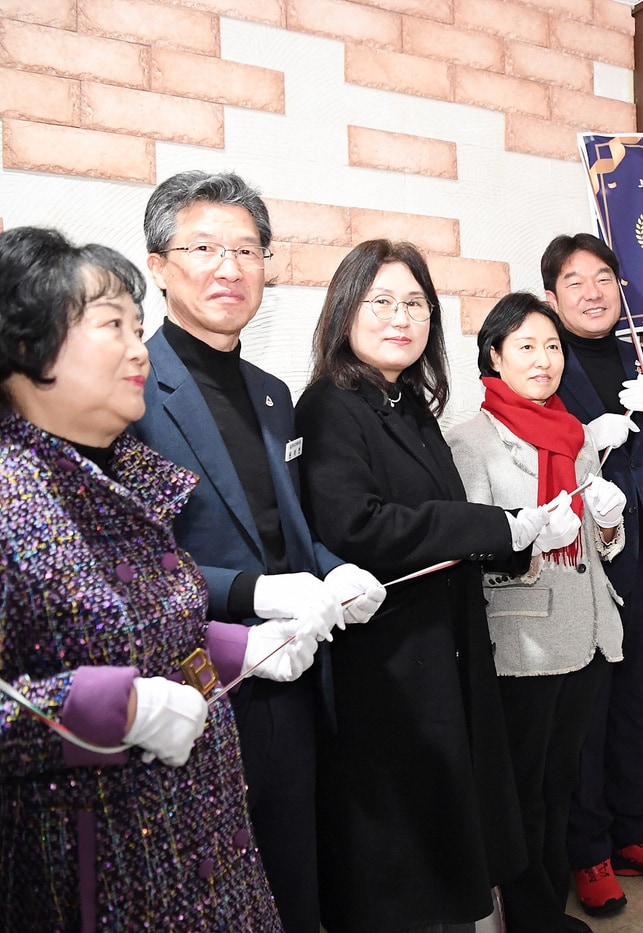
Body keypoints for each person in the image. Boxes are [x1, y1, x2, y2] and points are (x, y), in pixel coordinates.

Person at [0, 226, 285, 929]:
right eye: (112, 326)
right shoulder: (11, 493)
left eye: (138, 324)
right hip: (94, 869)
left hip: (207, 844)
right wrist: (111, 709)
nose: (138, 347)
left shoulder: (126, 474)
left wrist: (232, 649)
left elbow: (141, 633)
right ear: (28, 347)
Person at [129, 170, 385, 933]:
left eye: (247, 249)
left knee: (295, 880)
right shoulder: (129, 387)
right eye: (203, 247)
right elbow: (135, 565)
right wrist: (251, 596)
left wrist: (332, 566)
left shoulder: (273, 390)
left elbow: (289, 522)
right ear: (158, 263)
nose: (229, 268)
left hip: (298, 678)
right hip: (197, 681)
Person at [294, 241, 549, 929]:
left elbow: (437, 527)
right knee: (399, 867)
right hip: (389, 666)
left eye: (415, 303)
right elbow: (359, 525)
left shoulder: (407, 403)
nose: (400, 317)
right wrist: (496, 525)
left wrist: (511, 540)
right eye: (381, 301)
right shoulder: (329, 406)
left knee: (449, 847)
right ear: (346, 309)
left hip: (444, 649)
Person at [448, 292, 629, 933]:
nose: (544, 359)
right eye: (526, 345)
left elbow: (597, 546)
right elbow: (466, 548)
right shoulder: (469, 440)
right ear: (494, 356)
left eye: (552, 346)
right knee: (521, 790)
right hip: (522, 641)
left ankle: (548, 906)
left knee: (562, 781)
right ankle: (527, 915)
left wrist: (608, 527)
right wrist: (525, 539)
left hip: (586, 631)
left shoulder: (574, 433)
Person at [540, 233, 643, 916]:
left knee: (642, 707)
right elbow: (537, 452)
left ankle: (639, 830)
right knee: (591, 713)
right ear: (553, 297)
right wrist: (584, 442)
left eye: (603, 277)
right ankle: (590, 847)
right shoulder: (548, 359)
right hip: (585, 564)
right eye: (575, 281)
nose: (593, 292)